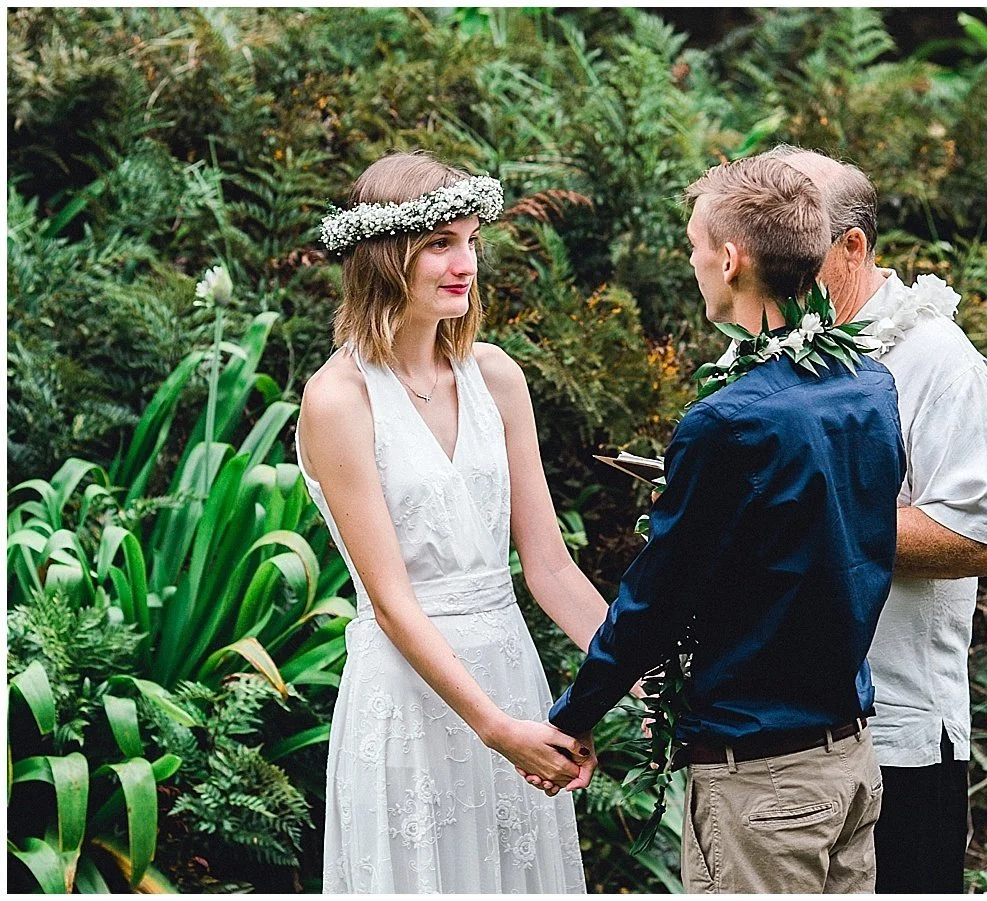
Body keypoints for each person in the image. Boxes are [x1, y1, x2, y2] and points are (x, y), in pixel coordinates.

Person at [547, 155, 906, 893]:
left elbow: (657, 598)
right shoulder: (870, 384)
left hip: (763, 784)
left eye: (694, 245)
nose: (691, 261)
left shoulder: (727, 423)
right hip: (850, 760)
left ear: (732, 259)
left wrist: (574, 715)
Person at [296, 151, 610, 893]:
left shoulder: (497, 376)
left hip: (512, 678)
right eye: (441, 243)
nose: (466, 263)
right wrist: (495, 727)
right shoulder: (339, 399)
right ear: (384, 255)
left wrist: (643, 679)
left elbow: (549, 566)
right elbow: (393, 602)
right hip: (409, 698)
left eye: (471, 241)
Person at [758, 146, 987, 894]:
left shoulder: (938, 359)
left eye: (796, 246)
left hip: (898, 738)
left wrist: (802, 517)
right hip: (781, 729)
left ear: (852, 246)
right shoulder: (774, 347)